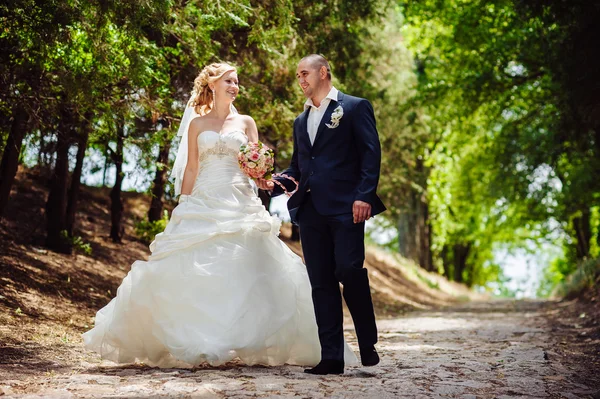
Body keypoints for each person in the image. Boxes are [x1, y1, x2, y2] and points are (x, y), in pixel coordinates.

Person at [82, 62, 357, 368]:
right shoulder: (197, 125)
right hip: (204, 200)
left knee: (251, 268)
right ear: (212, 85)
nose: (234, 86)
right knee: (196, 269)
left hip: (240, 200)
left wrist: (262, 176)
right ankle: (201, 339)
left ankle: (247, 337)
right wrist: (184, 203)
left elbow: (260, 166)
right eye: (229, 80)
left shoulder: (246, 122)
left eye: (237, 81)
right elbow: (191, 167)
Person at [258, 54, 386, 375]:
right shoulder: (300, 121)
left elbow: (371, 154)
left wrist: (364, 196)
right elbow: (299, 168)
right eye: (297, 76)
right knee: (321, 283)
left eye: (305, 74)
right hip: (310, 213)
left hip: (347, 208)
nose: (301, 80)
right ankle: (331, 357)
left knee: (349, 269)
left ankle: (367, 342)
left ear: (323, 72)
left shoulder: (355, 107)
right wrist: (271, 183)